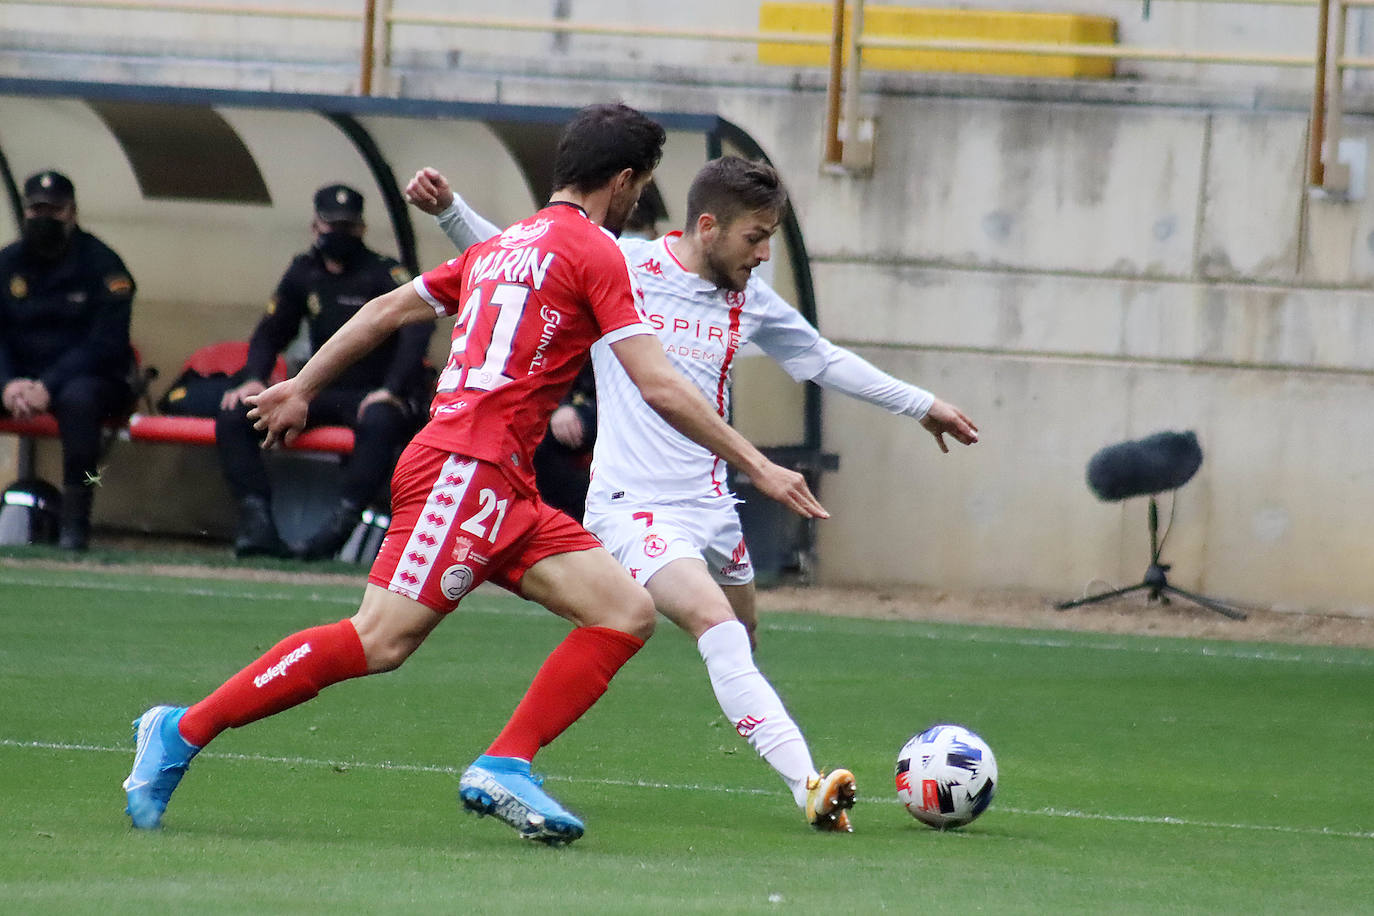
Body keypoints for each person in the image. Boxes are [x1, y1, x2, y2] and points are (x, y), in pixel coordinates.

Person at [122, 103, 828, 846]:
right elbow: (656, 382)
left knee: (624, 611)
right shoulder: (595, 252)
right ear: (622, 182)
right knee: (379, 640)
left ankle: (505, 763)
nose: (638, 203)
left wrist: (302, 384)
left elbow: (391, 308)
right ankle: (181, 730)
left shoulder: (507, 244)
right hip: (463, 469)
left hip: (504, 481)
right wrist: (756, 463)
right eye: (641, 187)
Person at [405, 155, 979, 832]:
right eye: (755, 238)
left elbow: (820, 358)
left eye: (770, 238)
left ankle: (767, 737)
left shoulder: (747, 296)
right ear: (708, 226)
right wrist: (449, 211)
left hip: (713, 505)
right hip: (633, 507)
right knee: (717, 624)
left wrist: (920, 405)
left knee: (745, 636)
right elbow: (516, 260)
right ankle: (811, 787)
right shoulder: (623, 267)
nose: (764, 255)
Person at [216, 184, 430, 560]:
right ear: (315, 226)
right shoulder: (304, 272)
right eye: (332, 225)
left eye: (348, 226)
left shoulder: (384, 274)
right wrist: (253, 377)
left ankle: (337, 531)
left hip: (373, 393)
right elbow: (272, 330)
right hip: (319, 390)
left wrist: (392, 388)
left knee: (381, 420)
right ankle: (257, 522)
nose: (338, 234)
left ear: (362, 229)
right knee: (238, 412)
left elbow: (418, 328)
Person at [0, 170, 136, 551]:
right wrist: (8, 383)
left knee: (79, 402)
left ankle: (75, 523)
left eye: (54, 210)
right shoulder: (7, 263)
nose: (44, 217)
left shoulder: (102, 264)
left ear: (72, 213)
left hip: (88, 378)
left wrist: (49, 385)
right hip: (19, 380)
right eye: (36, 209)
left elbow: (106, 344)